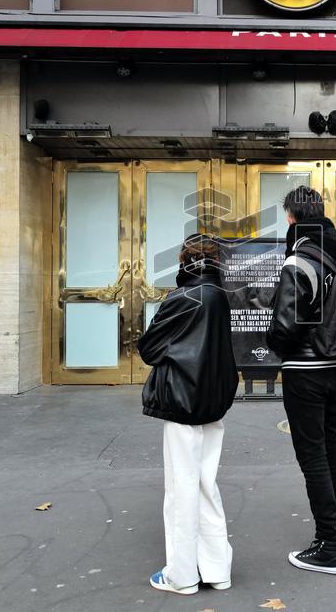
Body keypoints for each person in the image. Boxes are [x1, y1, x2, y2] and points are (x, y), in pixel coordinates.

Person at [266, 186, 336, 575]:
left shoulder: (299, 260)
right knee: (332, 447)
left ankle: (328, 545)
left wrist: (271, 342)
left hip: (305, 371)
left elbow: (285, 326)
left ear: (291, 218)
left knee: (312, 456)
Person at [137, 234, 238, 595]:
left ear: (184, 261)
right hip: (213, 402)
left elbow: (148, 348)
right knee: (205, 485)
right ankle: (217, 569)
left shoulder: (183, 298)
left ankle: (181, 576)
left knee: (181, 489)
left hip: (182, 401)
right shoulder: (219, 296)